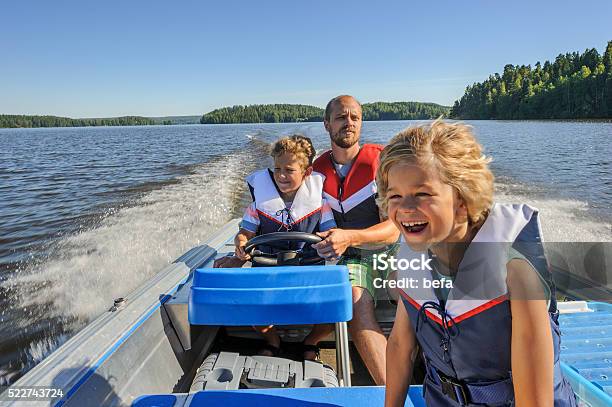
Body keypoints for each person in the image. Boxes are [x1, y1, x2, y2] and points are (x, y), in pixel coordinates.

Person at [379, 121, 576, 406]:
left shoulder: (517, 274)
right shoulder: (412, 260)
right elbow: (400, 346)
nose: (405, 208)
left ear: (462, 199)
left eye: (422, 194)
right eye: (395, 196)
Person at [214, 134, 336, 361]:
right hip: (267, 271)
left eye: (289, 170)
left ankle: (311, 341)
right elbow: (245, 233)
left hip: (308, 271)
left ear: (306, 172)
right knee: (248, 304)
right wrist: (241, 243)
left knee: (337, 304)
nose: (281, 175)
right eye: (277, 168)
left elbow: (330, 232)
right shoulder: (257, 205)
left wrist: (327, 241)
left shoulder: (321, 205)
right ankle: (272, 340)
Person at [311, 95, 400, 385]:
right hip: (347, 255)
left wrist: (351, 236)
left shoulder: (382, 163)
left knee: (416, 292)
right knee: (356, 303)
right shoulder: (315, 171)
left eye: (355, 117)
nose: (349, 123)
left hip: (390, 247)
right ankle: (392, 393)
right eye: (341, 117)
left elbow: (395, 228)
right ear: (327, 124)